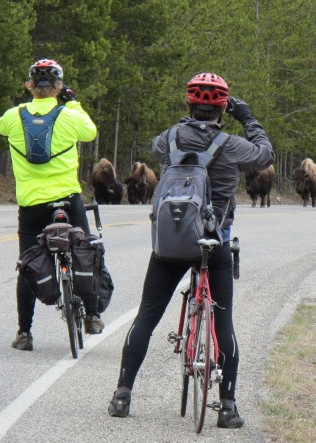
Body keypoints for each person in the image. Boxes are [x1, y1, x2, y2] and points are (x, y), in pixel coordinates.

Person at [108, 72, 274, 428]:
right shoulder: (231, 144)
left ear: (189, 104)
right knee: (224, 322)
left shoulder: (167, 139)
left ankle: (122, 394)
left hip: (170, 244)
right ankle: (227, 407)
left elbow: (155, 146)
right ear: (223, 108)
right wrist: (247, 117)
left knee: (147, 318)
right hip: (214, 244)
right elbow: (265, 156)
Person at [0, 58, 103, 351]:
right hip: (68, 199)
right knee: (85, 250)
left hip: (31, 204)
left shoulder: (14, 116)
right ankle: (92, 316)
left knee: (29, 262)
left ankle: (24, 333)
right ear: (58, 86)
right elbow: (90, 133)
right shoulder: (69, 115)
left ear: (30, 85)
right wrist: (72, 102)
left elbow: (0, 127)